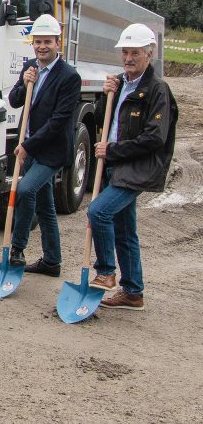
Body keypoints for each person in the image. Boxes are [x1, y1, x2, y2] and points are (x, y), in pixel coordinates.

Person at [88, 23, 178, 311]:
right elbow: (106, 123)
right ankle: (133, 292)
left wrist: (113, 150)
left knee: (98, 211)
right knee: (124, 230)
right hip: (115, 165)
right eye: (125, 52)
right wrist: (106, 96)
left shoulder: (157, 89)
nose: (128, 58)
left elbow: (155, 137)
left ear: (149, 54)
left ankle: (105, 272)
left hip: (137, 168)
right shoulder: (120, 84)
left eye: (135, 53)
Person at [7, 14, 81, 276]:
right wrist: (25, 83)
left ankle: (17, 248)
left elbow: (59, 121)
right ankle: (52, 261)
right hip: (31, 147)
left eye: (47, 42)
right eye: (37, 42)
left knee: (25, 190)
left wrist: (28, 146)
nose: (41, 47)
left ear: (57, 43)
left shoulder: (69, 77)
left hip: (51, 151)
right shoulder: (31, 67)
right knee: (45, 205)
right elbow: (15, 101)